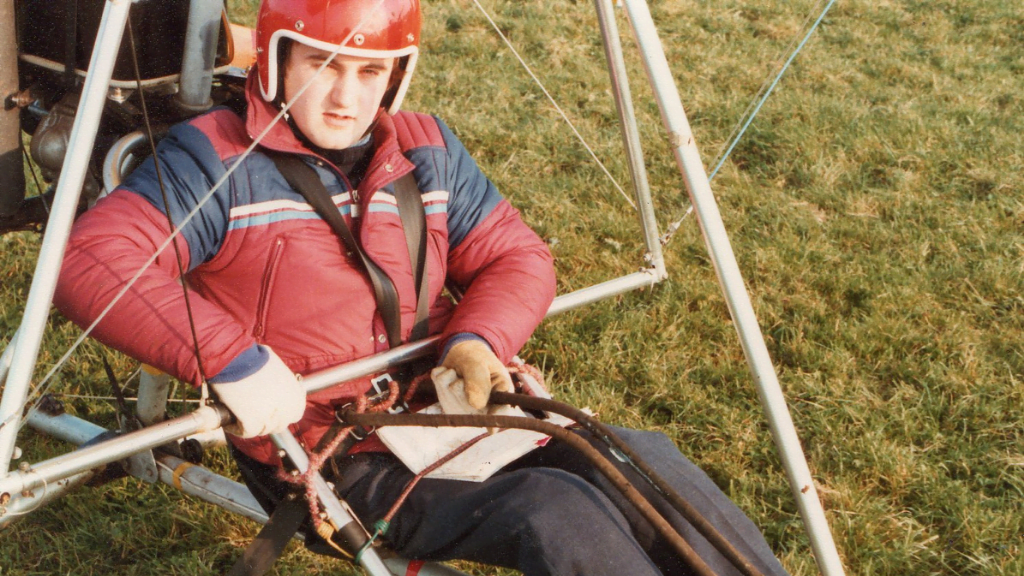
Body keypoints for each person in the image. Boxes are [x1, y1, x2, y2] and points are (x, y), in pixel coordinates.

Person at [54, 0, 791, 574]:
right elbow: (93, 260)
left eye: (370, 73)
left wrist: (478, 340)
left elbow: (517, 256)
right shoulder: (212, 159)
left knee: (638, 458)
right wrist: (229, 358)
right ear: (276, 61)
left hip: (439, 407)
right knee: (554, 508)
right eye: (323, 65)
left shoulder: (423, 146)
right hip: (330, 449)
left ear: (397, 75)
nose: (346, 97)